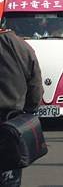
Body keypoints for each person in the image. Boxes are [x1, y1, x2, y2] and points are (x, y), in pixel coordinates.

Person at [0, 30, 43, 187]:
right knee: (10, 177)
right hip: (12, 123)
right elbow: (36, 86)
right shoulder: (21, 46)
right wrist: (29, 111)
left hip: (11, 121)